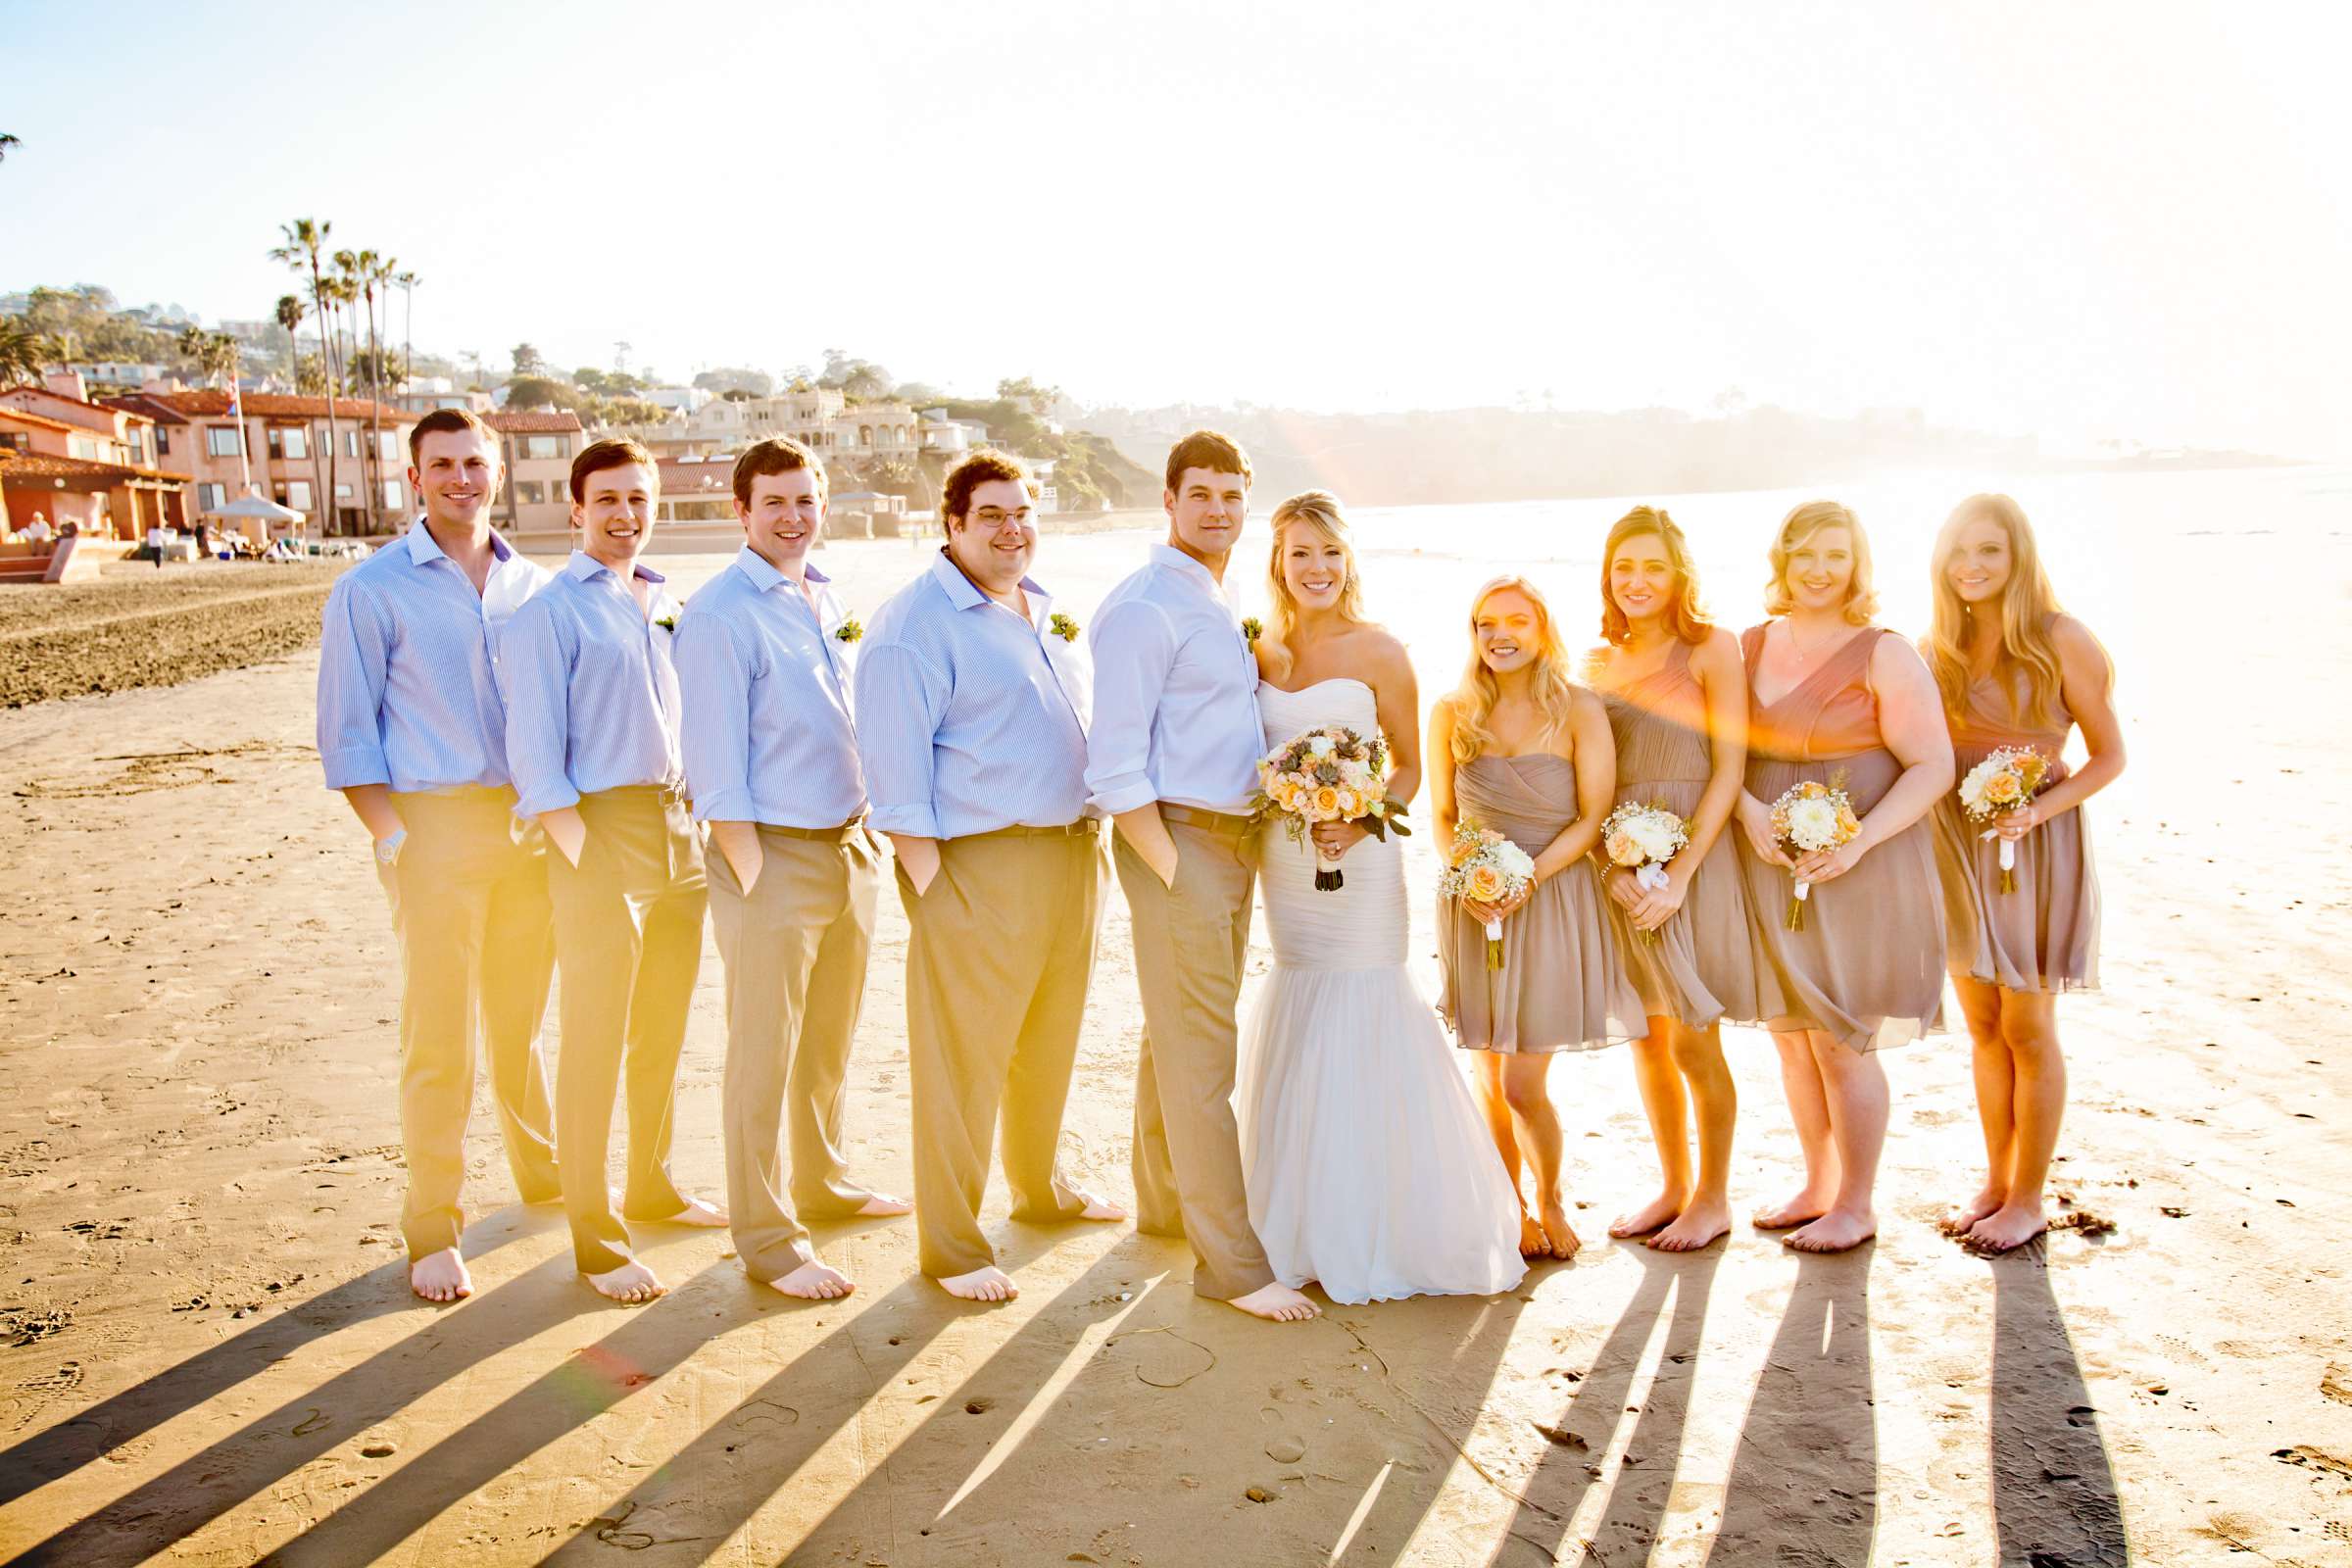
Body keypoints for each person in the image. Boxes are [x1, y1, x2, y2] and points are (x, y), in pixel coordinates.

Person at [1236, 491, 1524, 1303]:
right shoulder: (1259, 649)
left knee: (1364, 997)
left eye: (1329, 552)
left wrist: (1358, 820)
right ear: (1278, 564)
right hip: (1285, 860)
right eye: (1300, 553)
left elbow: (1406, 765)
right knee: (1302, 993)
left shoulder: (1382, 649)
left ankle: (1383, 1222)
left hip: (1361, 861)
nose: (1316, 568)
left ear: (1349, 560)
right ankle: (1296, 1219)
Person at [855, 450, 1123, 1303]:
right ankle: (953, 1246)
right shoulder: (913, 628)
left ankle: (1039, 1191)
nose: (1013, 531)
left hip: (1070, 857)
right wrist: (942, 896)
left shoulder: (1040, 608)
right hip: (979, 866)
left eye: (1023, 514)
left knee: (1048, 1041)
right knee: (963, 1063)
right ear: (953, 525)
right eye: (993, 517)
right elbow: (895, 791)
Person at [314, 407, 561, 1303]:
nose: (462, 478)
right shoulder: (372, 588)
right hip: (435, 830)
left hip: (530, 831)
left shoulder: (533, 586)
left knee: (522, 1023)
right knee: (441, 1035)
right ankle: (434, 1228)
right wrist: (394, 841)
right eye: (443, 465)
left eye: (475, 464)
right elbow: (346, 737)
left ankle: (543, 1176)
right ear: (415, 478)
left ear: (497, 472)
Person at [1087, 432, 1318, 1323]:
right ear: (1171, 502)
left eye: (1232, 495)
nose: (1218, 510)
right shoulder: (1148, 606)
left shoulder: (1214, 599)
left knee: (1174, 1034)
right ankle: (1231, 1266)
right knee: (1201, 1056)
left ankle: (1162, 1204)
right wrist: (1175, 866)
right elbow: (1115, 767)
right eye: (1201, 495)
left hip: (1232, 842)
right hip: (1179, 841)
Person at [675, 438, 910, 1304]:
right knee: (763, 1053)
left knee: (827, 1045)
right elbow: (714, 765)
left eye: (806, 500)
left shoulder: (824, 596)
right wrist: (752, 868)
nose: (793, 516)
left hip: (848, 848)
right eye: (775, 502)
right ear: (741, 512)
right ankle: (769, 1240)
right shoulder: (719, 613)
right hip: (769, 854)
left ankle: (828, 1182)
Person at [502, 437, 724, 1304]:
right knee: (595, 1036)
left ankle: (654, 1183)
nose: (626, 516)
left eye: (639, 499)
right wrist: (581, 853)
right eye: (608, 501)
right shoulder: (550, 612)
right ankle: (596, 1240)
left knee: (661, 1027)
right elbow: (535, 758)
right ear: (575, 510)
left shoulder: (665, 601)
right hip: (598, 833)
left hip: (677, 831)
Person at [1734, 500, 1954, 1253]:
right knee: (1790, 1035)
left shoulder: (1884, 652)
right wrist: (1747, 811)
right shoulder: (1749, 645)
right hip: (1769, 862)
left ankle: (1856, 1204)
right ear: (1783, 562)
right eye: (1805, 555)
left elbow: (1933, 766)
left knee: (1840, 1037)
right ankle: (1817, 1184)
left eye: (1836, 555)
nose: (1819, 571)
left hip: (1858, 866)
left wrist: (1859, 842)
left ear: (1857, 564)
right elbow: (1714, 754)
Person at [1925, 494, 2123, 1252]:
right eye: (1958, 551)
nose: (1971, 566)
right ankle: (1996, 1180)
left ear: (2019, 558)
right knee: (1982, 1026)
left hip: (2033, 846)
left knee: (2028, 1024)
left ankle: (2031, 1198)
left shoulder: (2060, 638)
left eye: (1990, 551)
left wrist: (2038, 811)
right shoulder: (1938, 646)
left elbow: (2109, 755)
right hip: (1957, 846)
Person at [1431, 576, 1637, 1260]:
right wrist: (1470, 879)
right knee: (1488, 1075)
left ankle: (1549, 1196)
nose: (1500, 634)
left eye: (1516, 620)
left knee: (1523, 1083)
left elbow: (1593, 814)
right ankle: (1509, 1207)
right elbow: (1442, 817)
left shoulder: (1578, 708)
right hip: (1474, 903)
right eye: (1486, 622)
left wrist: (1528, 877)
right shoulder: (1451, 712)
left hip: (1552, 901)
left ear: (1543, 629)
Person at [1587, 508, 1770, 1252]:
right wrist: (1612, 864)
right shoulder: (1596, 661)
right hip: (1623, 860)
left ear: (1678, 575)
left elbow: (1731, 767)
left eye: (1653, 568)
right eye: (1624, 568)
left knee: (1695, 1038)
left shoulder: (1711, 649)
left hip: (1694, 859)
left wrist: (1682, 873)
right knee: (1647, 1037)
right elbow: (1587, 780)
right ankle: (1671, 1184)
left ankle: (1714, 1197)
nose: (1637, 582)